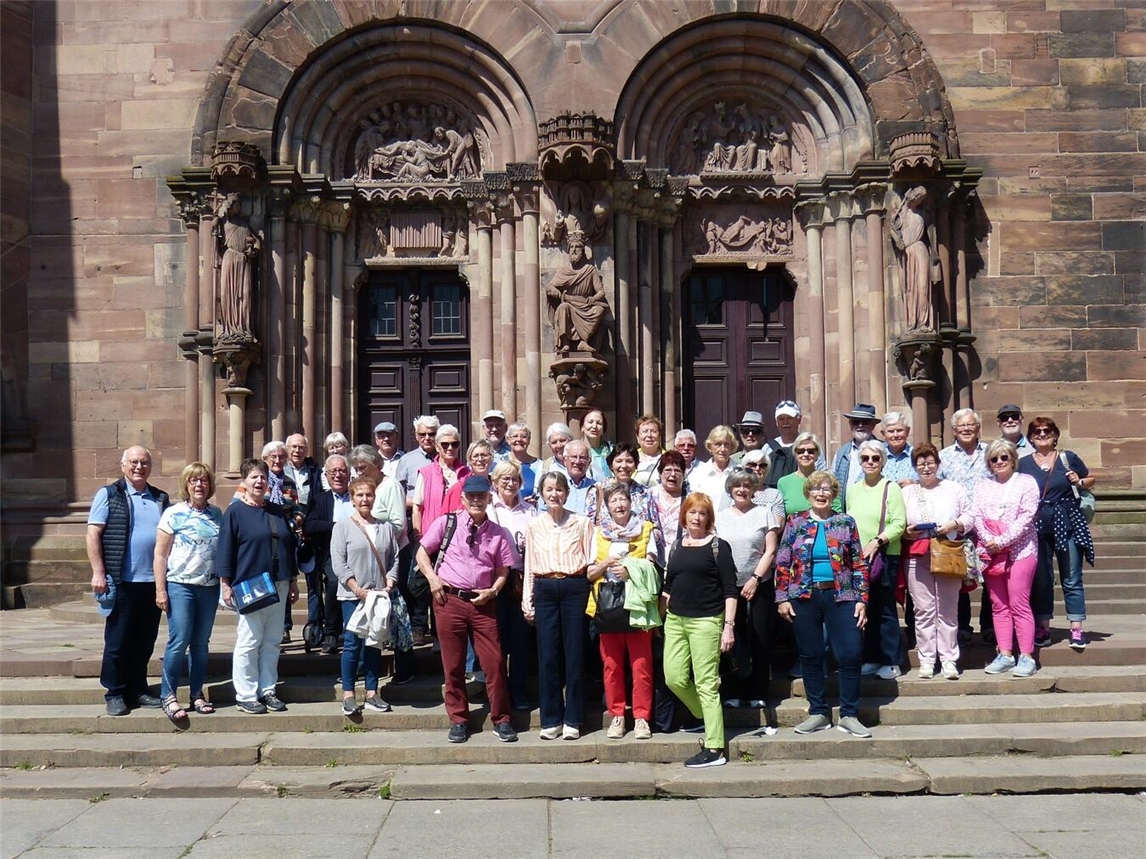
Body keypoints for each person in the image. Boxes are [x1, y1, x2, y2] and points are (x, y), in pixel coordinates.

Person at [418, 475, 519, 743]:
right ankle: (459, 720)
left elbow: (503, 570)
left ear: (489, 498)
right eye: (471, 496)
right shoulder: (446, 523)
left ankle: (502, 718)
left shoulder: (499, 533)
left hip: (483, 603)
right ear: (463, 499)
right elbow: (421, 552)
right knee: (453, 665)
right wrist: (433, 579)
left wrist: (494, 590)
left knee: (495, 663)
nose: (476, 500)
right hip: (449, 600)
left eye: (481, 495)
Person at [775, 471, 871, 738]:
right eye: (816, 489)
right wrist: (782, 597)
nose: (821, 493)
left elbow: (859, 563)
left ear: (834, 494)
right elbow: (783, 562)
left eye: (826, 489)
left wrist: (862, 599)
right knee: (811, 654)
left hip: (842, 595)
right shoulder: (795, 523)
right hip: (804, 596)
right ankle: (818, 712)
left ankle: (849, 714)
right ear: (808, 493)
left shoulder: (845, 522)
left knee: (850, 653)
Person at [87, 446, 171, 716]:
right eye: (133, 462)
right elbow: (93, 534)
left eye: (144, 462)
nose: (139, 467)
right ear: (123, 465)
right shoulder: (110, 494)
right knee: (118, 641)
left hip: (152, 582)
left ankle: (137, 688)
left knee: (145, 640)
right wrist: (98, 571)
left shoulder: (160, 498)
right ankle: (114, 692)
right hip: (122, 580)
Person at [661, 492, 738, 768]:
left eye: (702, 513)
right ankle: (704, 715)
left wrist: (728, 627)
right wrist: (658, 616)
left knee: (706, 684)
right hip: (675, 620)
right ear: (684, 515)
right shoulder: (677, 545)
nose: (696, 517)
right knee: (674, 677)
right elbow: (669, 586)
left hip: (706, 621)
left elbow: (730, 590)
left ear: (709, 518)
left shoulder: (718, 547)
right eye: (692, 512)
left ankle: (715, 748)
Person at [218, 458, 299, 713]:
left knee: (273, 640)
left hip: (279, 582)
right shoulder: (235, 511)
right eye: (254, 477)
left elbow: (287, 545)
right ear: (244, 481)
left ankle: (267, 690)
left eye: (263, 477)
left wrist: (293, 579)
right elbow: (225, 550)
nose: (259, 481)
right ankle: (245, 694)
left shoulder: (275, 510)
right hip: (250, 584)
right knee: (250, 640)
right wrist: (225, 583)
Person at [524, 471, 595, 740]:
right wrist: (527, 601)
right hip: (544, 588)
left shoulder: (581, 523)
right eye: (549, 489)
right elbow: (530, 563)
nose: (554, 494)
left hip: (574, 587)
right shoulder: (534, 525)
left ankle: (574, 719)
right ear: (542, 493)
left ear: (567, 493)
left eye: (559, 489)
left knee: (575, 654)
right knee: (548, 656)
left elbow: (589, 562)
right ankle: (551, 718)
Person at [587, 482, 660, 740]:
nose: (619, 505)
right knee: (612, 665)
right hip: (607, 607)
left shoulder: (646, 529)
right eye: (613, 501)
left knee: (642, 666)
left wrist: (631, 569)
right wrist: (606, 562)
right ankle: (617, 715)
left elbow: (653, 567)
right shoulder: (598, 534)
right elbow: (589, 572)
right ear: (607, 506)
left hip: (638, 607)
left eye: (623, 499)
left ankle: (641, 718)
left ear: (631, 503)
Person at [154, 462, 223, 722]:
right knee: (179, 640)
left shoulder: (217, 514)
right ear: (186, 484)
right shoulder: (173, 513)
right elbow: (160, 554)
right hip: (180, 585)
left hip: (208, 587)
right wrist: (160, 589)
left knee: (201, 644)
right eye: (194, 480)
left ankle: (196, 694)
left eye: (204, 480)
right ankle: (168, 695)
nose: (199, 485)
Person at [1019, 416, 1096, 650]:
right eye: (1037, 432)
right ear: (1031, 437)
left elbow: (1091, 479)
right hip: (1037, 526)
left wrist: (1080, 480)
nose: (1042, 434)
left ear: (1055, 435)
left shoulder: (1067, 457)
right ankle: (1043, 627)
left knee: (1071, 577)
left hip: (1068, 522)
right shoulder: (1023, 463)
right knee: (1042, 579)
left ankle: (1076, 627)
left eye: (1047, 431)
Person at [331, 476, 406, 715]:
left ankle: (373, 693)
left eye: (369, 495)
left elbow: (395, 557)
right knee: (353, 644)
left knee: (375, 643)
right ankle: (349, 694)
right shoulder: (342, 526)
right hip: (354, 596)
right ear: (352, 499)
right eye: (360, 495)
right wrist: (356, 588)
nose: (365, 499)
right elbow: (339, 562)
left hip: (378, 596)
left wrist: (391, 581)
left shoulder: (385, 527)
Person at [901, 444, 973, 680]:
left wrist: (954, 524)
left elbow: (970, 515)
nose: (926, 467)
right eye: (920, 463)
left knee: (948, 609)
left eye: (930, 461)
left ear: (938, 464)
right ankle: (927, 659)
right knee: (923, 610)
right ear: (914, 466)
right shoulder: (907, 493)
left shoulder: (953, 488)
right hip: (917, 554)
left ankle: (949, 659)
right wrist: (906, 531)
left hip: (947, 551)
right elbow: (897, 522)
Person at [972, 439, 1040, 677]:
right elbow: (977, 515)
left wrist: (1002, 541)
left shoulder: (1026, 482)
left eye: (1004, 457)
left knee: (1019, 603)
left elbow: (1027, 516)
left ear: (1013, 459)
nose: (999, 462)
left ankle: (1027, 656)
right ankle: (1005, 653)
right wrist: (989, 540)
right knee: (999, 606)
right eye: (994, 459)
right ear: (989, 463)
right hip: (991, 553)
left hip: (1020, 550)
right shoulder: (982, 485)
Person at [715, 468, 782, 709]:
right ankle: (733, 690)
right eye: (737, 485)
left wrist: (755, 578)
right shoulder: (720, 516)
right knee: (732, 640)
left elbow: (771, 550)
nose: (742, 489)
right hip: (728, 587)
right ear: (730, 489)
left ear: (754, 489)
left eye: (746, 485)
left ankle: (758, 691)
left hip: (759, 584)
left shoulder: (764, 514)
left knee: (759, 637)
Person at [351, 444, 414, 684]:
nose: (359, 472)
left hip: (394, 555)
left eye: (362, 467)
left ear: (377, 464)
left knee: (398, 614)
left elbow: (399, 524)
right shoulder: (362, 488)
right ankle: (366, 667)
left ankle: (405, 667)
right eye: (356, 469)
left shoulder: (391, 486)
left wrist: (375, 530)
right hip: (367, 558)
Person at [846, 440, 907, 681]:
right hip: (858, 558)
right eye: (865, 458)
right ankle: (871, 657)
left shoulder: (890, 488)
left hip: (883, 556)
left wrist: (877, 541)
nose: (870, 462)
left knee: (884, 609)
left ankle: (891, 660)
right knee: (865, 609)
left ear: (882, 461)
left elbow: (899, 523)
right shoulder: (853, 489)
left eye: (875, 458)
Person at [939, 408, 992, 646]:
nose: (967, 429)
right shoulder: (945, 456)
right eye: (961, 426)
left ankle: (990, 626)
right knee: (957, 577)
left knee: (991, 577)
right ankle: (962, 627)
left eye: (971, 425)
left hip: (989, 525)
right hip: (957, 526)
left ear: (978, 427)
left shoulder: (992, 453)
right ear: (953, 430)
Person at [488, 460, 537, 711]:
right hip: (491, 582)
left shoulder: (530, 511)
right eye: (504, 479)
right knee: (495, 642)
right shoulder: (487, 509)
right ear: (494, 483)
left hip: (520, 581)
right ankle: (498, 693)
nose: (510, 483)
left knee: (520, 642)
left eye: (514, 479)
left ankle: (518, 691)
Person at [393, 415, 440, 644]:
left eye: (431, 434)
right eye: (423, 434)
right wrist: (421, 502)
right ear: (416, 436)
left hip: (443, 525)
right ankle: (419, 625)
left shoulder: (446, 457)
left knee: (440, 574)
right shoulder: (408, 461)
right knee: (417, 574)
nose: (427, 438)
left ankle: (439, 628)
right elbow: (397, 495)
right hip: (417, 523)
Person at [302, 455, 354, 655]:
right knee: (334, 582)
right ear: (326, 475)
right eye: (333, 472)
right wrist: (337, 527)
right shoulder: (320, 500)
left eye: (342, 471)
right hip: (332, 554)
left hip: (359, 553)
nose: (338, 475)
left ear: (349, 474)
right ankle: (331, 632)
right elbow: (309, 525)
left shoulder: (358, 495)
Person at [762, 401, 827, 488]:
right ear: (776, 422)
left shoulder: (811, 446)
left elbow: (822, 473)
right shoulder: (768, 448)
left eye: (789, 418)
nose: (785, 422)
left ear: (799, 419)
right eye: (781, 419)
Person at [777, 433, 840, 516]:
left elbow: (837, 511)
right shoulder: (784, 483)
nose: (806, 454)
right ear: (795, 454)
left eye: (811, 451)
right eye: (800, 451)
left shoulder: (828, 480)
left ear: (817, 454)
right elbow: (780, 514)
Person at [831, 403, 880, 506]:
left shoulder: (883, 450)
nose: (860, 425)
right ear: (850, 424)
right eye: (856, 422)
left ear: (873, 425)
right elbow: (833, 484)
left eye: (865, 422)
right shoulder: (841, 453)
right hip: (847, 512)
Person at [689, 425, 738, 501]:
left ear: (732, 447)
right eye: (718, 444)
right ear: (710, 446)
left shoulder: (739, 472)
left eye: (726, 444)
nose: (722, 449)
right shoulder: (698, 473)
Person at [443, 439, 494, 513]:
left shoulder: (498, 487)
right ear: (469, 460)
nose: (480, 459)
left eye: (484, 455)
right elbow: (446, 519)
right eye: (475, 456)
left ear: (491, 458)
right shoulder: (458, 488)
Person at [550, 439, 595, 514]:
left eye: (582, 457)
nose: (577, 462)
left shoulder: (596, 488)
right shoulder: (554, 488)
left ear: (589, 462)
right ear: (564, 460)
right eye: (573, 457)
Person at [284, 433, 322, 508]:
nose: (297, 450)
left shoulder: (315, 470)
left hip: (310, 513)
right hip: (287, 513)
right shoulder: (281, 469)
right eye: (294, 447)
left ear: (306, 450)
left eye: (301, 447)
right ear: (287, 449)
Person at [880, 412, 918, 485]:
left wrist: (915, 483)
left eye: (899, 430)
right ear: (883, 434)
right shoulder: (875, 455)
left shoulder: (917, 455)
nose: (895, 435)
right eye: (891, 431)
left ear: (907, 431)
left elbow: (932, 482)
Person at [506, 421, 540, 500]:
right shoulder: (500, 463)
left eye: (523, 436)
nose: (519, 439)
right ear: (508, 440)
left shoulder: (540, 466)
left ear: (529, 440)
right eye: (515, 436)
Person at [632, 413, 665, 487]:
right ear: (637, 437)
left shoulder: (668, 458)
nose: (649, 435)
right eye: (645, 431)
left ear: (659, 436)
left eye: (653, 431)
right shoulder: (630, 457)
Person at [581, 408, 613, 481]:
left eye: (599, 423)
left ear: (603, 430)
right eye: (590, 422)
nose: (594, 426)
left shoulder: (611, 451)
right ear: (582, 427)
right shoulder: (575, 451)